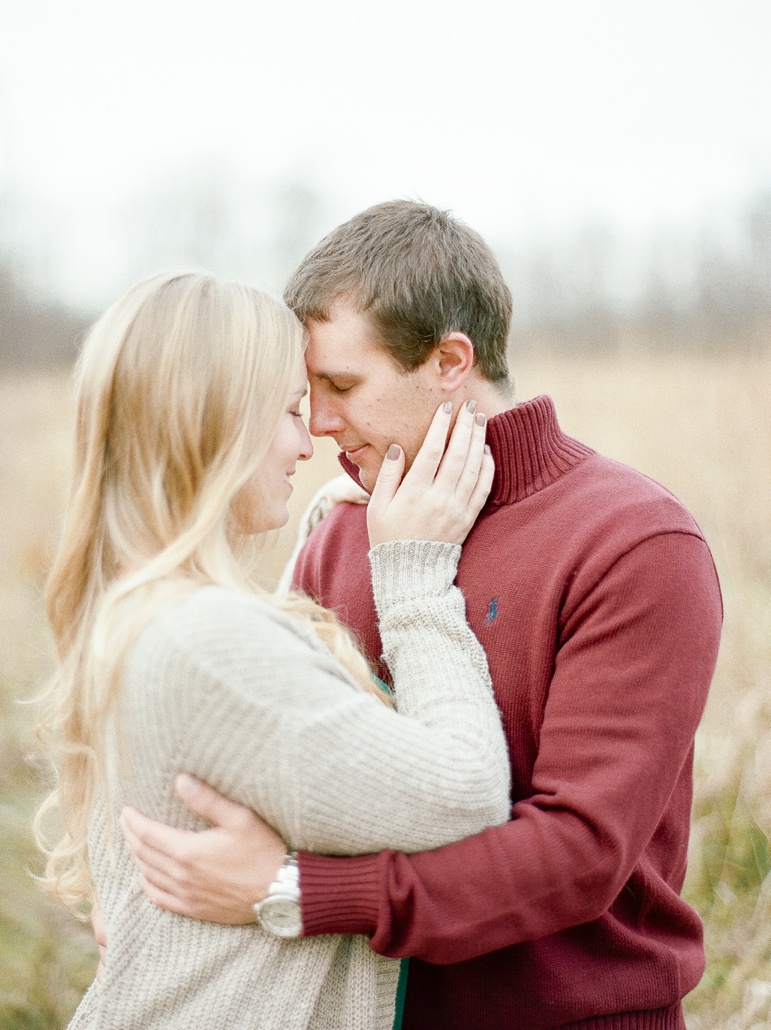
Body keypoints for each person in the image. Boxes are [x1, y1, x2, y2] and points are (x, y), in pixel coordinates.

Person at [122, 203, 723, 1030]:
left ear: (449, 361)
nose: (319, 425)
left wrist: (300, 891)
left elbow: (580, 855)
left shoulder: (632, 541)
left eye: (340, 387)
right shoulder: (340, 530)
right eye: (307, 395)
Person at [34, 268, 514, 1030]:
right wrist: (412, 573)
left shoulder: (144, 614)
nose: (308, 439)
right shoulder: (206, 641)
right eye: (289, 409)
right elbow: (467, 793)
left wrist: (327, 529)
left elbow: (268, 731)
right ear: (211, 423)